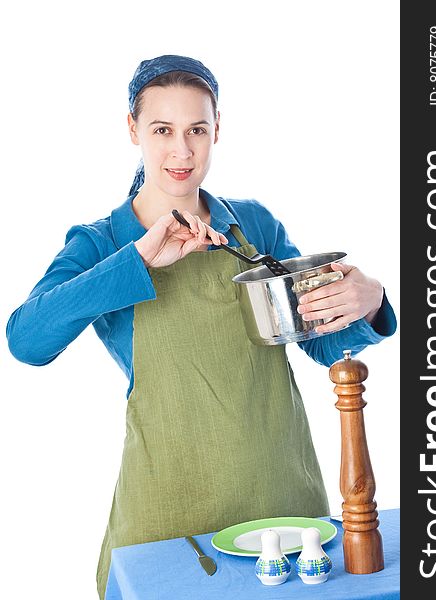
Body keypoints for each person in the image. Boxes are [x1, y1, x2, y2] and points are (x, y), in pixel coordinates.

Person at [6, 54, 397, 599]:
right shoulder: (101, 242)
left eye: (197, 130)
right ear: (132, 130)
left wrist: (371, 301)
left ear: (218, 130)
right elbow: (27, 340)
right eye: (162, 129)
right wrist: (138, 259)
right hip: (169, 513)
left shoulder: (252, 225)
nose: (181, 151)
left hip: (282, 497)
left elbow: (323, 342)